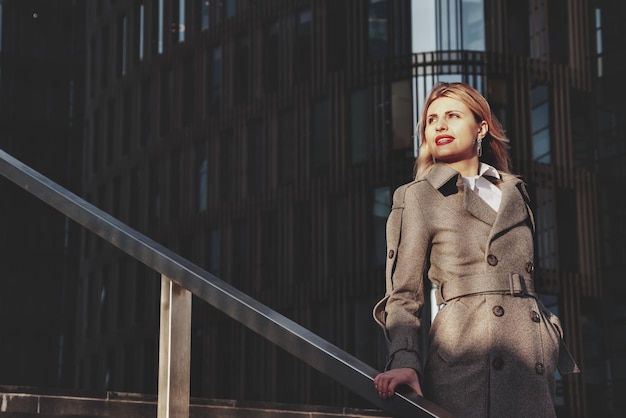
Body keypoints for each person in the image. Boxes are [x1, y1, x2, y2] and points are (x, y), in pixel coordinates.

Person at [372, 82, 579, 417]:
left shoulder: (515, 193)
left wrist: (550, 333)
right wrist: (405, 360)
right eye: (431, 119)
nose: (439, 125)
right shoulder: (418, 195)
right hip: (464, 356)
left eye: (452, 115)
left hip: (528, 356)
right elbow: (404, 295)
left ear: (481, 127)